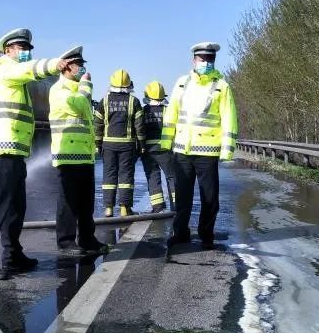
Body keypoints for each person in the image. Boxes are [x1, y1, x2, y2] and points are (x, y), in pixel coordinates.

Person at [0, 28, 69, 280]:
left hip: (14, 150)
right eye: (21, 48)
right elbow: (28, 70)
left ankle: (13, 256)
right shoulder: (4, 68)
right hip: (1, 149)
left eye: (28, 49)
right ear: (8, 50)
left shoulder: (17, 79)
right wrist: (53, 65)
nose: (25, 53)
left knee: (15, 206)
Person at [161, 42, 238, 249]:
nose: (206, 62)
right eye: (202, 59)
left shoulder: (222, 86)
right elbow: (172, 114)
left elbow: (229, 118)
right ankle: (181, 233)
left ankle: (206, 234)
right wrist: (166, 143)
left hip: (207, 152)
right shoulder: (182, 83)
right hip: (182, 151)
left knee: (210, 197)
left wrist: (227, 149)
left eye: (210, 59)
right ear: (194, 60)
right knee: (182, 196)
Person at [48, 46, 109, 256]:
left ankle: (87, 238)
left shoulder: (76, 90)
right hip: (67, 155)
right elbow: (79, 106)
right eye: (79, 65)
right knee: (68, 202)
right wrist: (86, 85)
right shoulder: (59, 91)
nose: (82, 69)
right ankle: (65, 242)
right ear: (66, 67)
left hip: (84, 155)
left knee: (86, 202)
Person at [94, 69, 145, 217]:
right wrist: (142, 145)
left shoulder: (104, 100)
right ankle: (124, 208)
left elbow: (98, 124)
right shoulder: (133, 101)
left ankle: (108, 208)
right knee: (126, 176)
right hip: (127, 145)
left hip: (108, 145)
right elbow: (139, 126)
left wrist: (98, 144)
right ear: (129, 85)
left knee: (109, 176)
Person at [141, 81, 176, 213]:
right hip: (165, 149)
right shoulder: (168, 110)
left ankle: (157, 206)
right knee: (171, 177)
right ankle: (176, 205)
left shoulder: (144, 111)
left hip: (148, 150)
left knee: (152, 177)